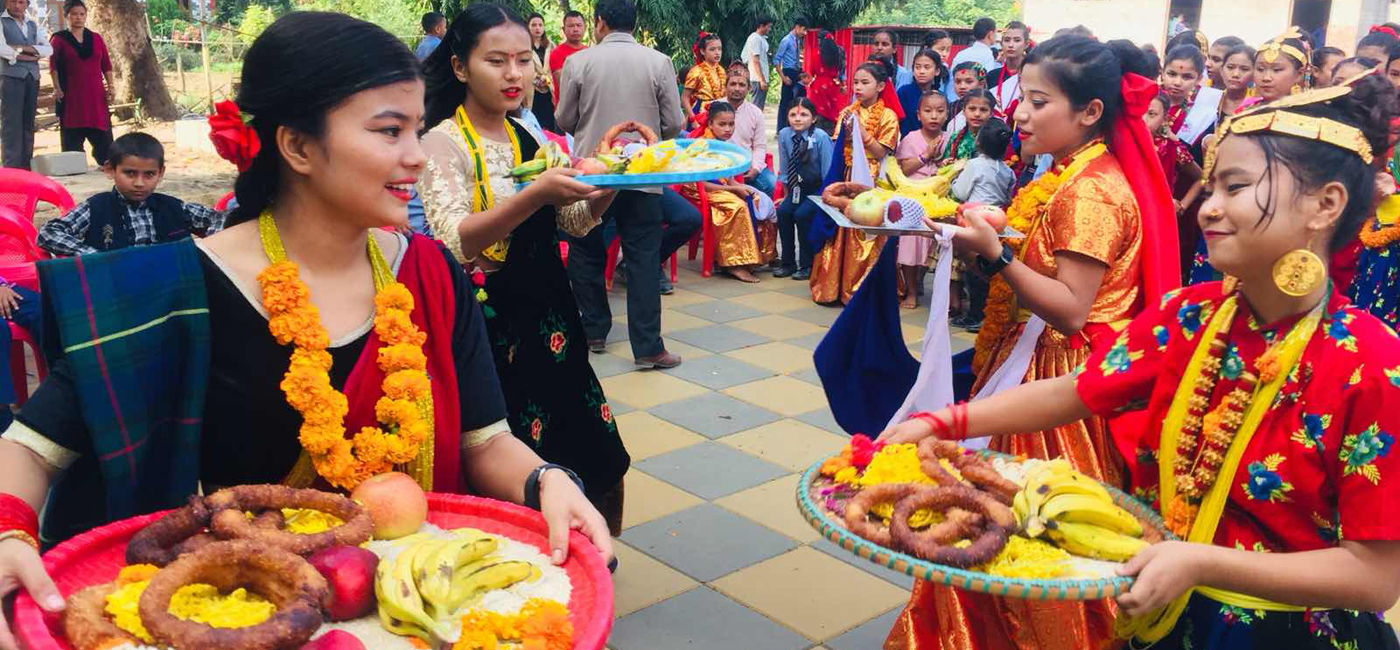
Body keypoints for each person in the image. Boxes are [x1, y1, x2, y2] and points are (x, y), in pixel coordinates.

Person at [0, 15, 616, 645]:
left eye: (417, 128)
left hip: (403, 614)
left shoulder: (430, 275)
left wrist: (548, 481)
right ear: (296, 146)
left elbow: (486, 442)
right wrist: (7, 534)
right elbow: (27, 447)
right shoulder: (171, 291)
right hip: (236, 611)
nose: (417, 154)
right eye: (389, 131)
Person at [885, 76, 1400, 650]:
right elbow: (1080, 390)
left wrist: (1202, 564)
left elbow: (1375, 577)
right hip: (1166, 612)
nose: (1209, 208)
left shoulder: (1372, 365)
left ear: (1324, 205)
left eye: (1235, 187)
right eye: (1210, 188)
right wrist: (944, 423)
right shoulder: (1192, 314)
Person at [885, 35, 1179, 650]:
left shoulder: (1090, 192)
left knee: (1025, 537)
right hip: (1041, 360)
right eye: (1022, 96)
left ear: (1089, 112)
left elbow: (1072, 309)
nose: (1019, 112)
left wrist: (996, 256)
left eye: (1038, 101)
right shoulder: (1077, 172)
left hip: (1056, 380)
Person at [417, 3, 630, 535]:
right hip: (489, 329)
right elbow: (455, 240)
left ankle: (588, 554)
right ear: (461, 67)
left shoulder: (530, 138)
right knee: (506, 448)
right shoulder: (440, 143)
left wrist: (615, 185)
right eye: (497, 61)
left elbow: (576, 223)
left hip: (554, 320)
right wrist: (533, 194)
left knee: (588, 441)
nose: (516, 75)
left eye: (523, 60)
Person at [555, 0, 685, 369]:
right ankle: (648, 348)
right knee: (643, 259)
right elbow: (673, 123)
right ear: (634, 22)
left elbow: (565, 119)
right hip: (644, 175)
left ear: (599, 23)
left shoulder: (578, 62)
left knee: (585, 252)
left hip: (594, 175)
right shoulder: (659, 62)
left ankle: (594, 330)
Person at [38, 133, 224, 257]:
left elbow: (220, 219)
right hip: (117, 288)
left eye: (149, 174)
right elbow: (48, 233)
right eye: (130, 173)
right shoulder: (96, 207)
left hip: (170, 290)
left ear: (160, 173)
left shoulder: (174, 207)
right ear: (110, 170)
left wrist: (206, 252)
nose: (139, 183)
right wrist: (93, 256)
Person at [809, 60, 898, 306]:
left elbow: (882, 153)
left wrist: (863, 134)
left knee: (867, 229)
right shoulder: (848, 112)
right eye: (856, 82)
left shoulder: (888, 116)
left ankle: (860, 291)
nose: (858, 87)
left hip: (872, 178)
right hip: (847, 175)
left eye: (864, 83)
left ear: (880, 86)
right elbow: (839, 147)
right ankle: (833, 288)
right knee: (841, 228)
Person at [682, 101, 774, 283]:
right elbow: (702, 184)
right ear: (710, 124)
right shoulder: (701, 146)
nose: (727, 129)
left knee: (758, 199)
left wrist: (739, 188)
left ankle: (759, 256)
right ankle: (733, 264)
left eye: (731, 124)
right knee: (737, 207)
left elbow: (728, 177)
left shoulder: (725, 145)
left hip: (718, 187)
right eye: (722, 124)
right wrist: (734, 189)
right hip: (697, 189)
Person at [947, 117, 1016, 328]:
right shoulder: (1008, 171)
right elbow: (1006, 198)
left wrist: (954, 178)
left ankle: (975, 315)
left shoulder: (974, 165)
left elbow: (960, 192)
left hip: (974, 221)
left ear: (978, 141)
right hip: (996, 223)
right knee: (989, 269)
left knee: (972, 270)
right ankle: (983, 313)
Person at [892, 89, 949, 310]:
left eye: (940, 111)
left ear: (947, 114)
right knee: (911, 243)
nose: (934, 116)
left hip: (939, 199)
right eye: (928, 111)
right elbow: (903, 169)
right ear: (918, 115)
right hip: (913, 198)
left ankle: (918, 281)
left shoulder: (950, 139)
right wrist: (925, 155)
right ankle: (912, 292)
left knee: (931, 248)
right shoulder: (911, 138)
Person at [47, 0, 111, 167]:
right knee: (72, 137)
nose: (78, 17)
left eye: (82, 14)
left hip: (95, 96)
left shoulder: (96, 38)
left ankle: (106, 162)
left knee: (103, 135)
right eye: (74, 14)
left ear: (86, 16)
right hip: (71, 96)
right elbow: (53, 66)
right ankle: (74, 165)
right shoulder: (58, 39)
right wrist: (57, 87)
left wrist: (111, 87)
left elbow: (106, 65)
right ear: (67, 16)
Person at [775, 97, 831, 281]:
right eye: (793, 115)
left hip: (818, 189)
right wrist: (786, 195)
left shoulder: (820, 137)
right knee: (783, 212)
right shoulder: (784, 134)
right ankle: (788, 263)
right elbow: (784, 167)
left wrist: (826, 197)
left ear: (813, 118)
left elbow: (828, 172)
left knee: (802, 214)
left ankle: (807, 264)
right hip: (796, 188)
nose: (797, 119)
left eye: (803, 115)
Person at [0, 0, 49, 170]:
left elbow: (48, 49)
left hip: (32, 77)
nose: (16, 5)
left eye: (20, 2)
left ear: (27, 4)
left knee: (28, 122)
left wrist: (19, 48)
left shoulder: (32, 24)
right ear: (6, 3)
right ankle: (12, 168)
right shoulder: (1, 22)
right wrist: (29, 53)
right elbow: (2, 49)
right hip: (11, 77)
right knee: (12, 123)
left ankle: (26, 164)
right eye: (12, 1)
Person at [722, 68, 774, 197]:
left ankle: (760, 217)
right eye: (733, 84)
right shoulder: (713, 108)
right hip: (720, 167)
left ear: (749, 88)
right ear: (725, 86)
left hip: (747, 166)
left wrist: (755, 168)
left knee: (771, 185)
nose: (737, 88)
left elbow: (760, 146)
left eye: (742, 85)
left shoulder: (756, 113)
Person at [1145, 93, 1203, 205]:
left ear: (1164, 119)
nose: (1144, 119)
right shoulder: (1117, 145)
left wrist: (1182, 206)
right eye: (1139, 112)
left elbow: (1201, 178)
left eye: (1152, 114)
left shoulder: (1170, 147)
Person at [897, 48, 947, 136]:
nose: (921, 71)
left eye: (927, 67)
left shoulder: (940, 96)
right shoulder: (904, 92)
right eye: (917, 67)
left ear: (937, 71)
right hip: (908, 142)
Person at [947, 17, 998, 101]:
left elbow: (951, 82)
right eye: (995, 33)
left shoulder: (961, 54)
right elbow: (988, 82)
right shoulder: (987, 54)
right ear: (990, 34)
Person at [682, 32, 725, 126]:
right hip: (700, 114)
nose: (717, 52)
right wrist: (693, 119)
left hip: (719, 111)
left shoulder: (721, 70)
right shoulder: (696, 71)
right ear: (702, 51)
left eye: (719, 49)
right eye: (712, 49)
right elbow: (685, 98)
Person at [986, 20, 1029, 115]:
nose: (1011, 45)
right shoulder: (992, 76)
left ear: (1026, 44)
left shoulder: (1032, 75)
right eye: (1007, 40)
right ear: (1001, 44)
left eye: (1017, 40)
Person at [774, 15, 808, 133]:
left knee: (799, 100)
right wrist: (783, 77)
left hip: (796, 73)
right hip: (788, 72)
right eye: (803, 29)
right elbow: (776, 60)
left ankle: (794, 127)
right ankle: (781, 130)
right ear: (797, 27)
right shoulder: (786, 40)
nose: (805, 33)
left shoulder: (797, 41)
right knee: (785, 102)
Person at [808, 33, 846, 134]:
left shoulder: (816, 53)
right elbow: (842, 70)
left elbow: (812, 71)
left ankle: (817, 133)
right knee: (832, 111)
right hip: (832, 85)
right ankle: (831, 134)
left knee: (817, 111)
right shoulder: (839, 52)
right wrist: (843, 84)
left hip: (818, 87)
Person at [942, 88, 994, 162]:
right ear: (963, 111)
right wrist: (947, 164)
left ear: (991, 114)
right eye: (972, 109)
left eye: (983, 110)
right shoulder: (955, 137)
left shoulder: (995, 138)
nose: (977, 114)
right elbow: (944, 166)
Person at [525, 13, 556, 134]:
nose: (537, 28)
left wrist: (546, 79)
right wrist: (537, 78)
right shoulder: (525, 46)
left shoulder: (550, 45)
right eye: (534, 25)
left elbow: (555, 68)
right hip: (531, 90)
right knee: (533, 123)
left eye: (540, 25)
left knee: (550, 124)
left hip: (549, 89)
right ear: (528, 27)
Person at [548, 11, 587, 102]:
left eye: (579, 25)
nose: (575, 29)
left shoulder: (589, 51)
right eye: (571, 26)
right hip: (566, 109)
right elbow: (564, 84)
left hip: (587, 107)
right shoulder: (556, 53)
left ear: (585, 28)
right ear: (563, 29)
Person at [740, 15, 772, 109]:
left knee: (759, 107)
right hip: (757, 78)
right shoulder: (755, 39)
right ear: (761, 26)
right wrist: (761, 80)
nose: (769, 29)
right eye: (768, 26)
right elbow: (755, 60)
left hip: (760, 77)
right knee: (756, 107)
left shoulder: (761, 38)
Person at [1216, 45, 1255, 117]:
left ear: (1254, 74)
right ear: (1221, 70)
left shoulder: (1257, 106)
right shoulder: (1210, 100)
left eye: (1244, 69)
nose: (1235, 74)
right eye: (1230, 67)